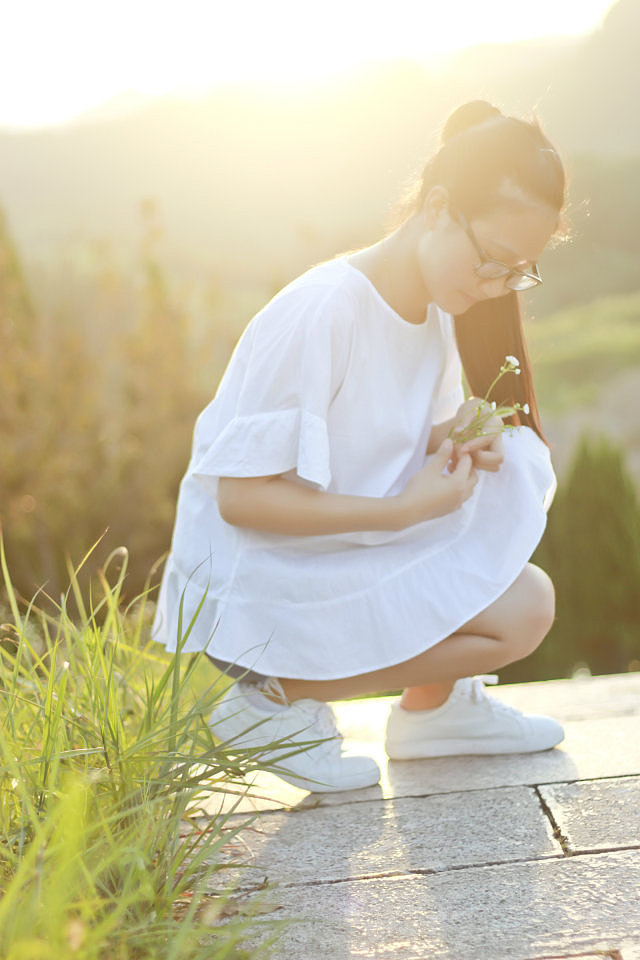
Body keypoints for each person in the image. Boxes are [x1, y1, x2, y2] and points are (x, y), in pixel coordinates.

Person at [153, 100, 567, 793]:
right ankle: (270, 700)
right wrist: (403, 511)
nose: (495, 286)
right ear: (437, 207)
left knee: (526, 603)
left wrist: (456, 436)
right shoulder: (324, 310)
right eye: (492, 261)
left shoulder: (433, 306)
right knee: (510, 592)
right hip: (268, 581)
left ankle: (435, 712)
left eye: (516, 273)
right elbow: (242, 498)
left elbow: (388, 429)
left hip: (343, 550)